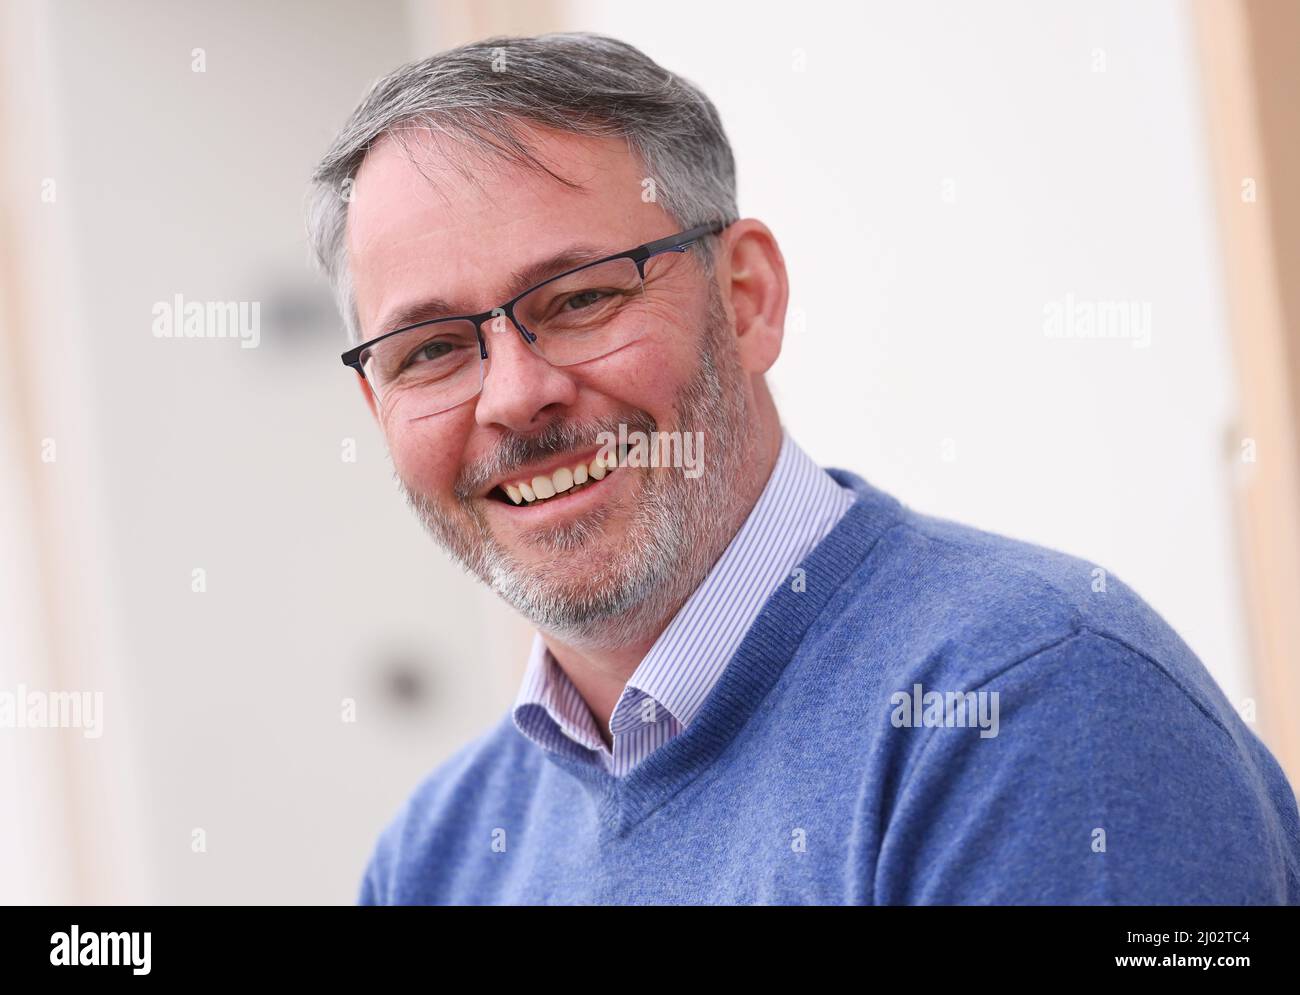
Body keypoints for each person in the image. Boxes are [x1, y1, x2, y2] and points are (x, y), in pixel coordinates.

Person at [305, 31, 1300, 904]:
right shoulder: (435, 859)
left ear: (744, 298)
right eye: (428, 349)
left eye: (579, 299)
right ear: (377, 403)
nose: (515, 396)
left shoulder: (1027, 705)